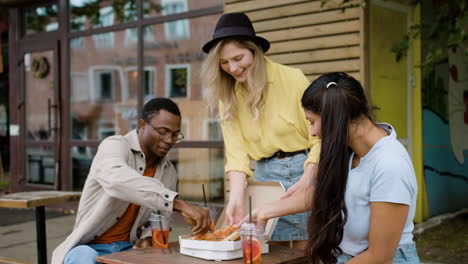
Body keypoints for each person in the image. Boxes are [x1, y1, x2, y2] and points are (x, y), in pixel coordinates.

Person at [249, 72, 421, 264]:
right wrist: (264, 211)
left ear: (336, 118)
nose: (313, 132)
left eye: (313, 122)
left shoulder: (390, 164)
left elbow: (378, 257)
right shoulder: (351, 151)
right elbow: (326, 192)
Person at [201, 12, 321, 248]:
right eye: (224, 62)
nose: (232, 68)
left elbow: (321, 138)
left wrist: (308, 179)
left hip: (304, 172)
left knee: (304, 252)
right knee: (266, 250)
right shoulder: (227, 96)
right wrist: (235, 196)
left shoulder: (293, 79)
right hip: (264, 178)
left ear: (255, 50)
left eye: (238, 58)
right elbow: (236, 155)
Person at [52, 98, 212, 264]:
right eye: (163, 132)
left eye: (175, 134)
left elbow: (161, 217)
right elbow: (117, 180)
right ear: (143, 125)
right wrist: (181, 204)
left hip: (127, 249)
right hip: (88, 248)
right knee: (85, 257)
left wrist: (148, 237)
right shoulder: (113, 145)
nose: (170, 140)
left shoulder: (168, 171)